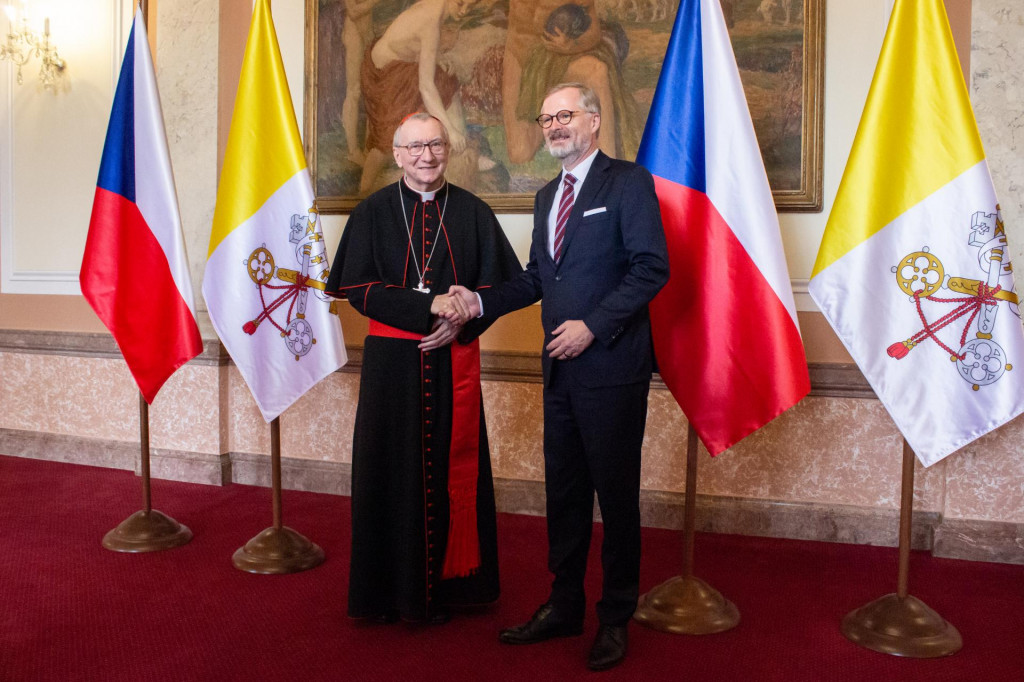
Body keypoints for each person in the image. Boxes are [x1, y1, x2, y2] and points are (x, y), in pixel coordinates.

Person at [448, 83, 668, 670]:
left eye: (564, 115)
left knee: (615, 500)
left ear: (594, 121)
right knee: (565, 496)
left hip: (612, 368)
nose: (553, 126)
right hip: (559, 373)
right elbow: (534, 279)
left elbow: (652, 268)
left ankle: (615, 616)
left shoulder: (628, 183)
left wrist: (592, 327)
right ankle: (563, 604)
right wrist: (477, 301)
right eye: (545, 118)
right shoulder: (548, 196)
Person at [325, 113, 522, 624]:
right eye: (414, 148)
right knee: (391, 473)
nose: (426, 156)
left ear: (448, 149)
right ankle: (389, 591)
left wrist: (463, 315)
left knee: (453, 473)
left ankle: (457, 587)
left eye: (434, 145)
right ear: (397, 154)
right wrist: (429, 307)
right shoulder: (372, 212)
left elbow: (507, 288)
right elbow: (355, 288)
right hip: (393, 371)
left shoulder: (474, 212)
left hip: (454, 361)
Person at [358, 0, 478, 195]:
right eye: (460, 3)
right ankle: (363, 191)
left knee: (445, 79)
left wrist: (438, 59)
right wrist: (450, 129)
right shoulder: (431, 21)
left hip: (397, 66)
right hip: (384, 76)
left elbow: (409, 44)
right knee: (387, 137)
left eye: (470, 6)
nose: (464, 11)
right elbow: (426, 87)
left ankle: (459, 148)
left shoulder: (434, 9)